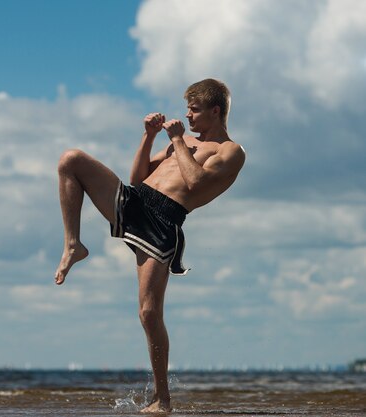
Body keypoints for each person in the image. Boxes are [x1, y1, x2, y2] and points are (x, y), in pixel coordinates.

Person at [54, 79, 245, 413]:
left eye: (194, 109)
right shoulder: (180, 141)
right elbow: (138, 177)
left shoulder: (230, 152)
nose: (187, 115)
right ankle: (73, 245)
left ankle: (162, 399)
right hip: (135, 200)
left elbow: (196, 183)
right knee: (71, 159)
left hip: (162, 222)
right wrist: (149, 136)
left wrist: (175, 141)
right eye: (187, 108)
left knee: (148, 312)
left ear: (216, 111)